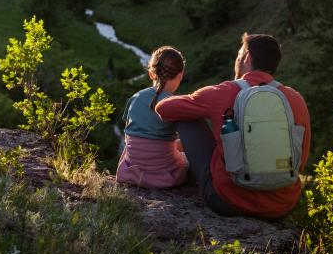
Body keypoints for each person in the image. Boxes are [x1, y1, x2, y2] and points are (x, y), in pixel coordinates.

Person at [155, 33, 310, 219]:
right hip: (281, 206)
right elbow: (301, 158)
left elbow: (164, 108)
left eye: (238, 55)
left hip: (228, 201)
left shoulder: (224, 91)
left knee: (187, 116)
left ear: (247, 57)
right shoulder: (295, 99)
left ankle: (163, 167)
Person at [116, 46, 189, 189]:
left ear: (151, 74)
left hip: (132, 172)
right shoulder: (177, 103)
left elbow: (131, 136)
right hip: (164, 175)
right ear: (181, 75)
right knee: (187, 159)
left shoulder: (135, 97)